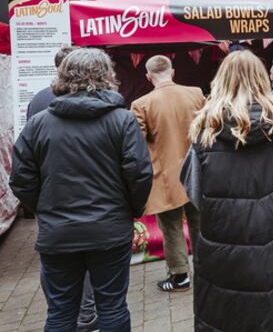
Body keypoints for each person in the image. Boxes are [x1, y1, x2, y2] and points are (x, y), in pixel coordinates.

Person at [11, 48, 153, 331]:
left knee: (62, 312)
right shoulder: (121, 120)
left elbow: (20, 179)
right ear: (107, 77)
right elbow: (139, 174)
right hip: (109, 230)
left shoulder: (39, 124)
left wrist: (46, 208)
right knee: (112, 306)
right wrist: (131, 211)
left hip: (59, 232)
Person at [181, 50, 273, 331]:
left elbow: (194, 192)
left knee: (228, 317)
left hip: (224, 250)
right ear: (263, 79)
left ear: (221, 81)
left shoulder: (205, 133)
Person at [26, 45, 100, 332]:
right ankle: (86, 314)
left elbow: (24, 168)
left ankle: (68, 312)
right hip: (93, 198)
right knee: (91, 259)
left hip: (52, 200)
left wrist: (38, 203)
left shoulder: (38, 101)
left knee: (56, 260)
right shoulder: (102, 102)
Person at [131, 55, 205, 293]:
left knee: (171, 228)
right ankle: (207, 270)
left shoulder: (141, 104)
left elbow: (137, 146)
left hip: (165, 177)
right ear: (172, 72)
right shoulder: (196, 93)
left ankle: (180, 275)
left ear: (148, 76)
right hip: (198, 171)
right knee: (200, 224)